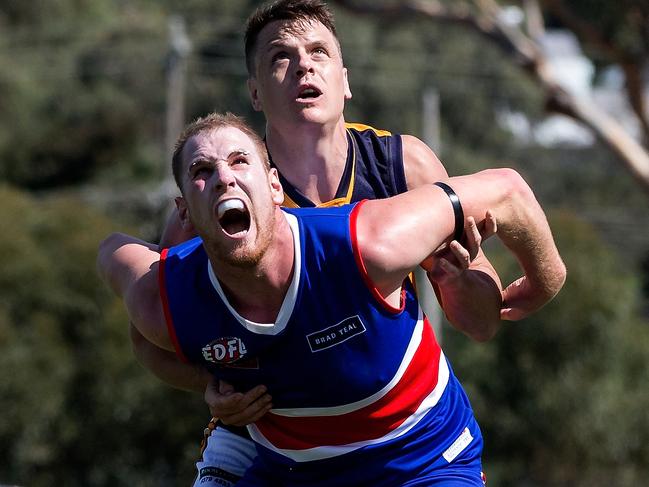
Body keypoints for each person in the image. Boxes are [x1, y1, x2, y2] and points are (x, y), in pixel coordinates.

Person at [97, 113, 565, 486]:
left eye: (240, 162)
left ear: (275, 187)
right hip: (292, 471)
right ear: (186, 211)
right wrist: (205, 381)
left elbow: (506, 189)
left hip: (420, 461)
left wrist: (545, 280)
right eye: (202, 172)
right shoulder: (169, 297)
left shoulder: (366, 243)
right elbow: (115, 261)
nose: (224, 178)